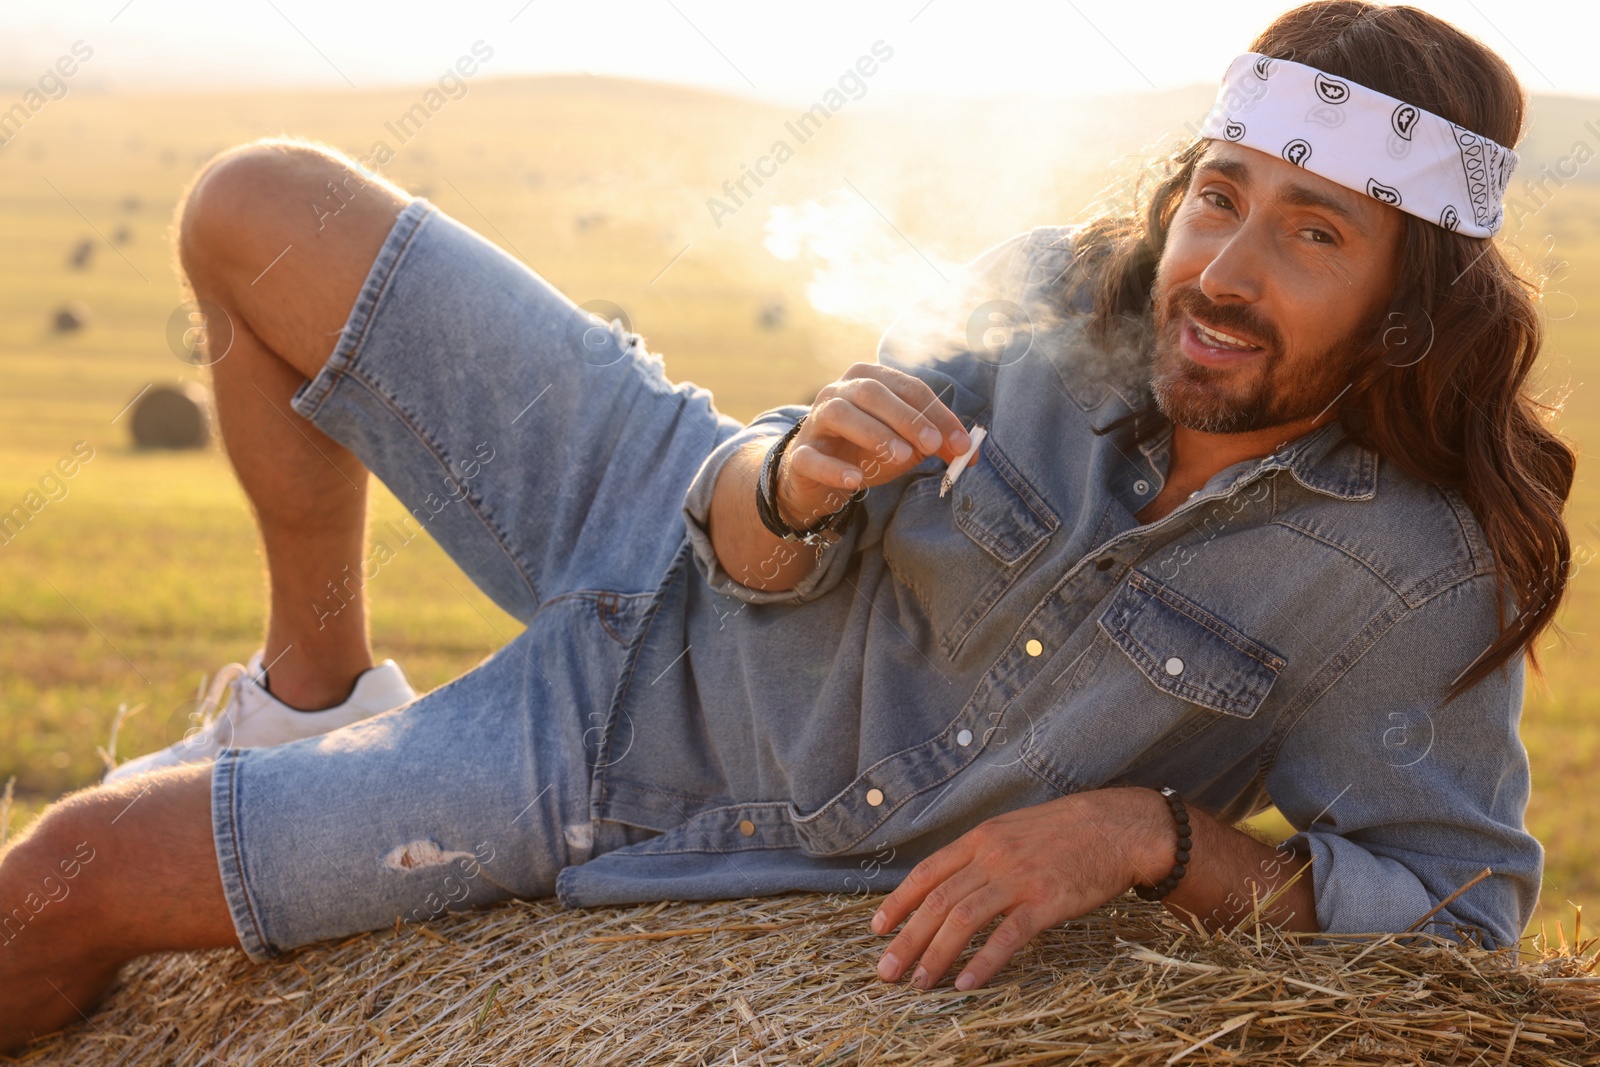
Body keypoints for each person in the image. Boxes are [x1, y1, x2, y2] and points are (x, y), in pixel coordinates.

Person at [0, 0, 1573, 1049]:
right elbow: (762, 537)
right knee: (259, 203)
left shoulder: (1405, 576)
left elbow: (1453, 914)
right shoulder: (1051, 286)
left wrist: (1146, 836)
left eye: (1315, 234)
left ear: (1409, 304)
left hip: (645, 762)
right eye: (1218, 196)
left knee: (63, 880)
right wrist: (794, 479)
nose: (1225, 268)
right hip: (664, 500)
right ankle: (319, 684)